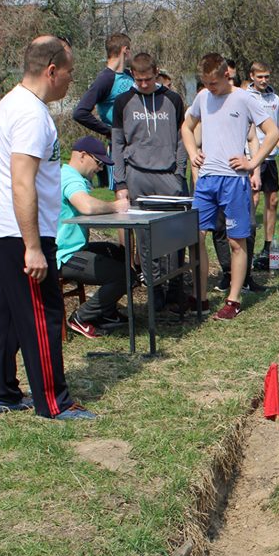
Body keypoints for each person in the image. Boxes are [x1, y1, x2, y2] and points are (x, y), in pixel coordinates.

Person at [0, 35, 94, 419]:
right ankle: (54, 403)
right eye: (68, 72)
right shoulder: (31, 114)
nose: (69, 80)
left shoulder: (10, 102)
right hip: (21, 233)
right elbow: (22, 180)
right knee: (43, 316)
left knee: (2, 314)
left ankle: (3, 393)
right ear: (51, 71)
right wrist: (32, 246)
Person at [181, 53, 279, 320]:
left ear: (227, 75)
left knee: (237, 241)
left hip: (234, 181)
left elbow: (273, 133)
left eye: (213, 83)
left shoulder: (245, 98)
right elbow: (186, 127)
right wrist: (192, 153)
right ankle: (200, 298)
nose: (210, 88)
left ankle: (233, 300)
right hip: (207, 180)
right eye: (205, 83)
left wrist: (252, 163)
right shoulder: (202, 97)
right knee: (196, 238)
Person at [112, 52, 189, 310]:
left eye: (148, 79)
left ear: (156, 73)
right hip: (137, 175)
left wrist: (179, 171)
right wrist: (121, 182)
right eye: (139, 79)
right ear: (132, 75)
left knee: (175, 235)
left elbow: (182, 138)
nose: (143, 84)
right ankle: (154, 288)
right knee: (146, 239)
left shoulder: (173, 99)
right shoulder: (123, 101)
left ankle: (175, 287)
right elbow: (117, 142)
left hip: (168, 176)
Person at [58, 137, 131, 338]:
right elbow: (87, 206)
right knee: (123, 274)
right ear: (82, 155)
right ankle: (81, 318)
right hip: (64, 255)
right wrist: (115, 206)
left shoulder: (68, 176)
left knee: (121, 255)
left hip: (75, 248)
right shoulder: (69, 178)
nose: (99, 169)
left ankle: (106, 312)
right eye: (98, 163)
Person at [245, 61, 279, 279]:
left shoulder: (275, 99)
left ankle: (268, 246)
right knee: (252, 201)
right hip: (252, 157)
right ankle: (247, 245)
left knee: (272, 201)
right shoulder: (245, 97)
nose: (264, 80)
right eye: (260, 76)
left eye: (267, 76)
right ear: (252, 76)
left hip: (271, 157)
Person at [72, 33, 133, 188]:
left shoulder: (129, 75)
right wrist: (109, 131)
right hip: (121, 148)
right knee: (124, 195)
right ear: (125, 50)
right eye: (130, 50)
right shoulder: (105, 79)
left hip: (139, 144)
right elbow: (80, 112)